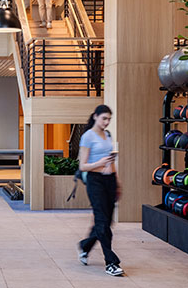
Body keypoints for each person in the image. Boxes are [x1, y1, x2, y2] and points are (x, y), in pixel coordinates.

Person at [77, 104, 124, 277]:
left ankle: (85, 245)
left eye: (109, 119)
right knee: (102, 221)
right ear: (95, 116)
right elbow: (83, 165)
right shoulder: (87, 137)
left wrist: (117, 182)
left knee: (106, 222)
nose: (107, 122)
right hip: (95, 181)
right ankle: (111, 263)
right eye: (104, 118)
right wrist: (101, 162)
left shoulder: (108, 135)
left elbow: (111, 161)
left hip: (110, 180)